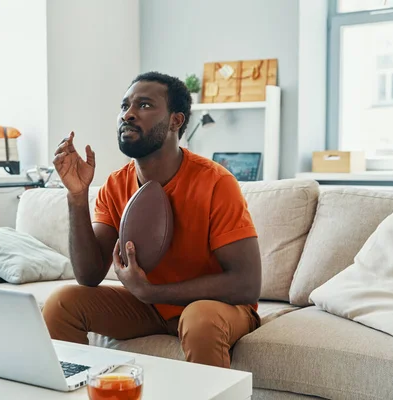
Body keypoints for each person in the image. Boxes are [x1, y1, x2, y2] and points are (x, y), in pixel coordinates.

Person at [42, 71, 262, 368]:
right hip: (150, 308)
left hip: (217, 309)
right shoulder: (115, 185)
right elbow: (89, 275)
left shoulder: (216, 182)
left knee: (199, 319)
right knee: (62, 303)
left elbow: (246, 284)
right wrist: (77, 196)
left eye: (144, 106)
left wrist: (152, 291)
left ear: (176, 120)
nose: (128, 115)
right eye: (124, 106)